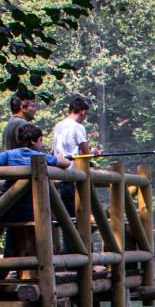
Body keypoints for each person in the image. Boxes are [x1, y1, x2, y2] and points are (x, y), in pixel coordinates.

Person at [0, 122, 70, 264]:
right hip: (34, 211)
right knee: (16, 227)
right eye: (40, 140)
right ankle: (9, 258)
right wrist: (62, 158)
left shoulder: (8, 155)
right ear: (33, 141)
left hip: (7, 210)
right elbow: (65, 163)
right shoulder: (42, 157)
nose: (42, 144)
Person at [49, 96, 92, 249]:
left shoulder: (59, 125)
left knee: (67, 217)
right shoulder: (78, 127)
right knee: (80, 216)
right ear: (81, 111)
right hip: (74, 176)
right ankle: (80, 251)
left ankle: (69, 251)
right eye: (85, 114)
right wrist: (95, 154)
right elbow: (84, 152)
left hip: (60, 175)